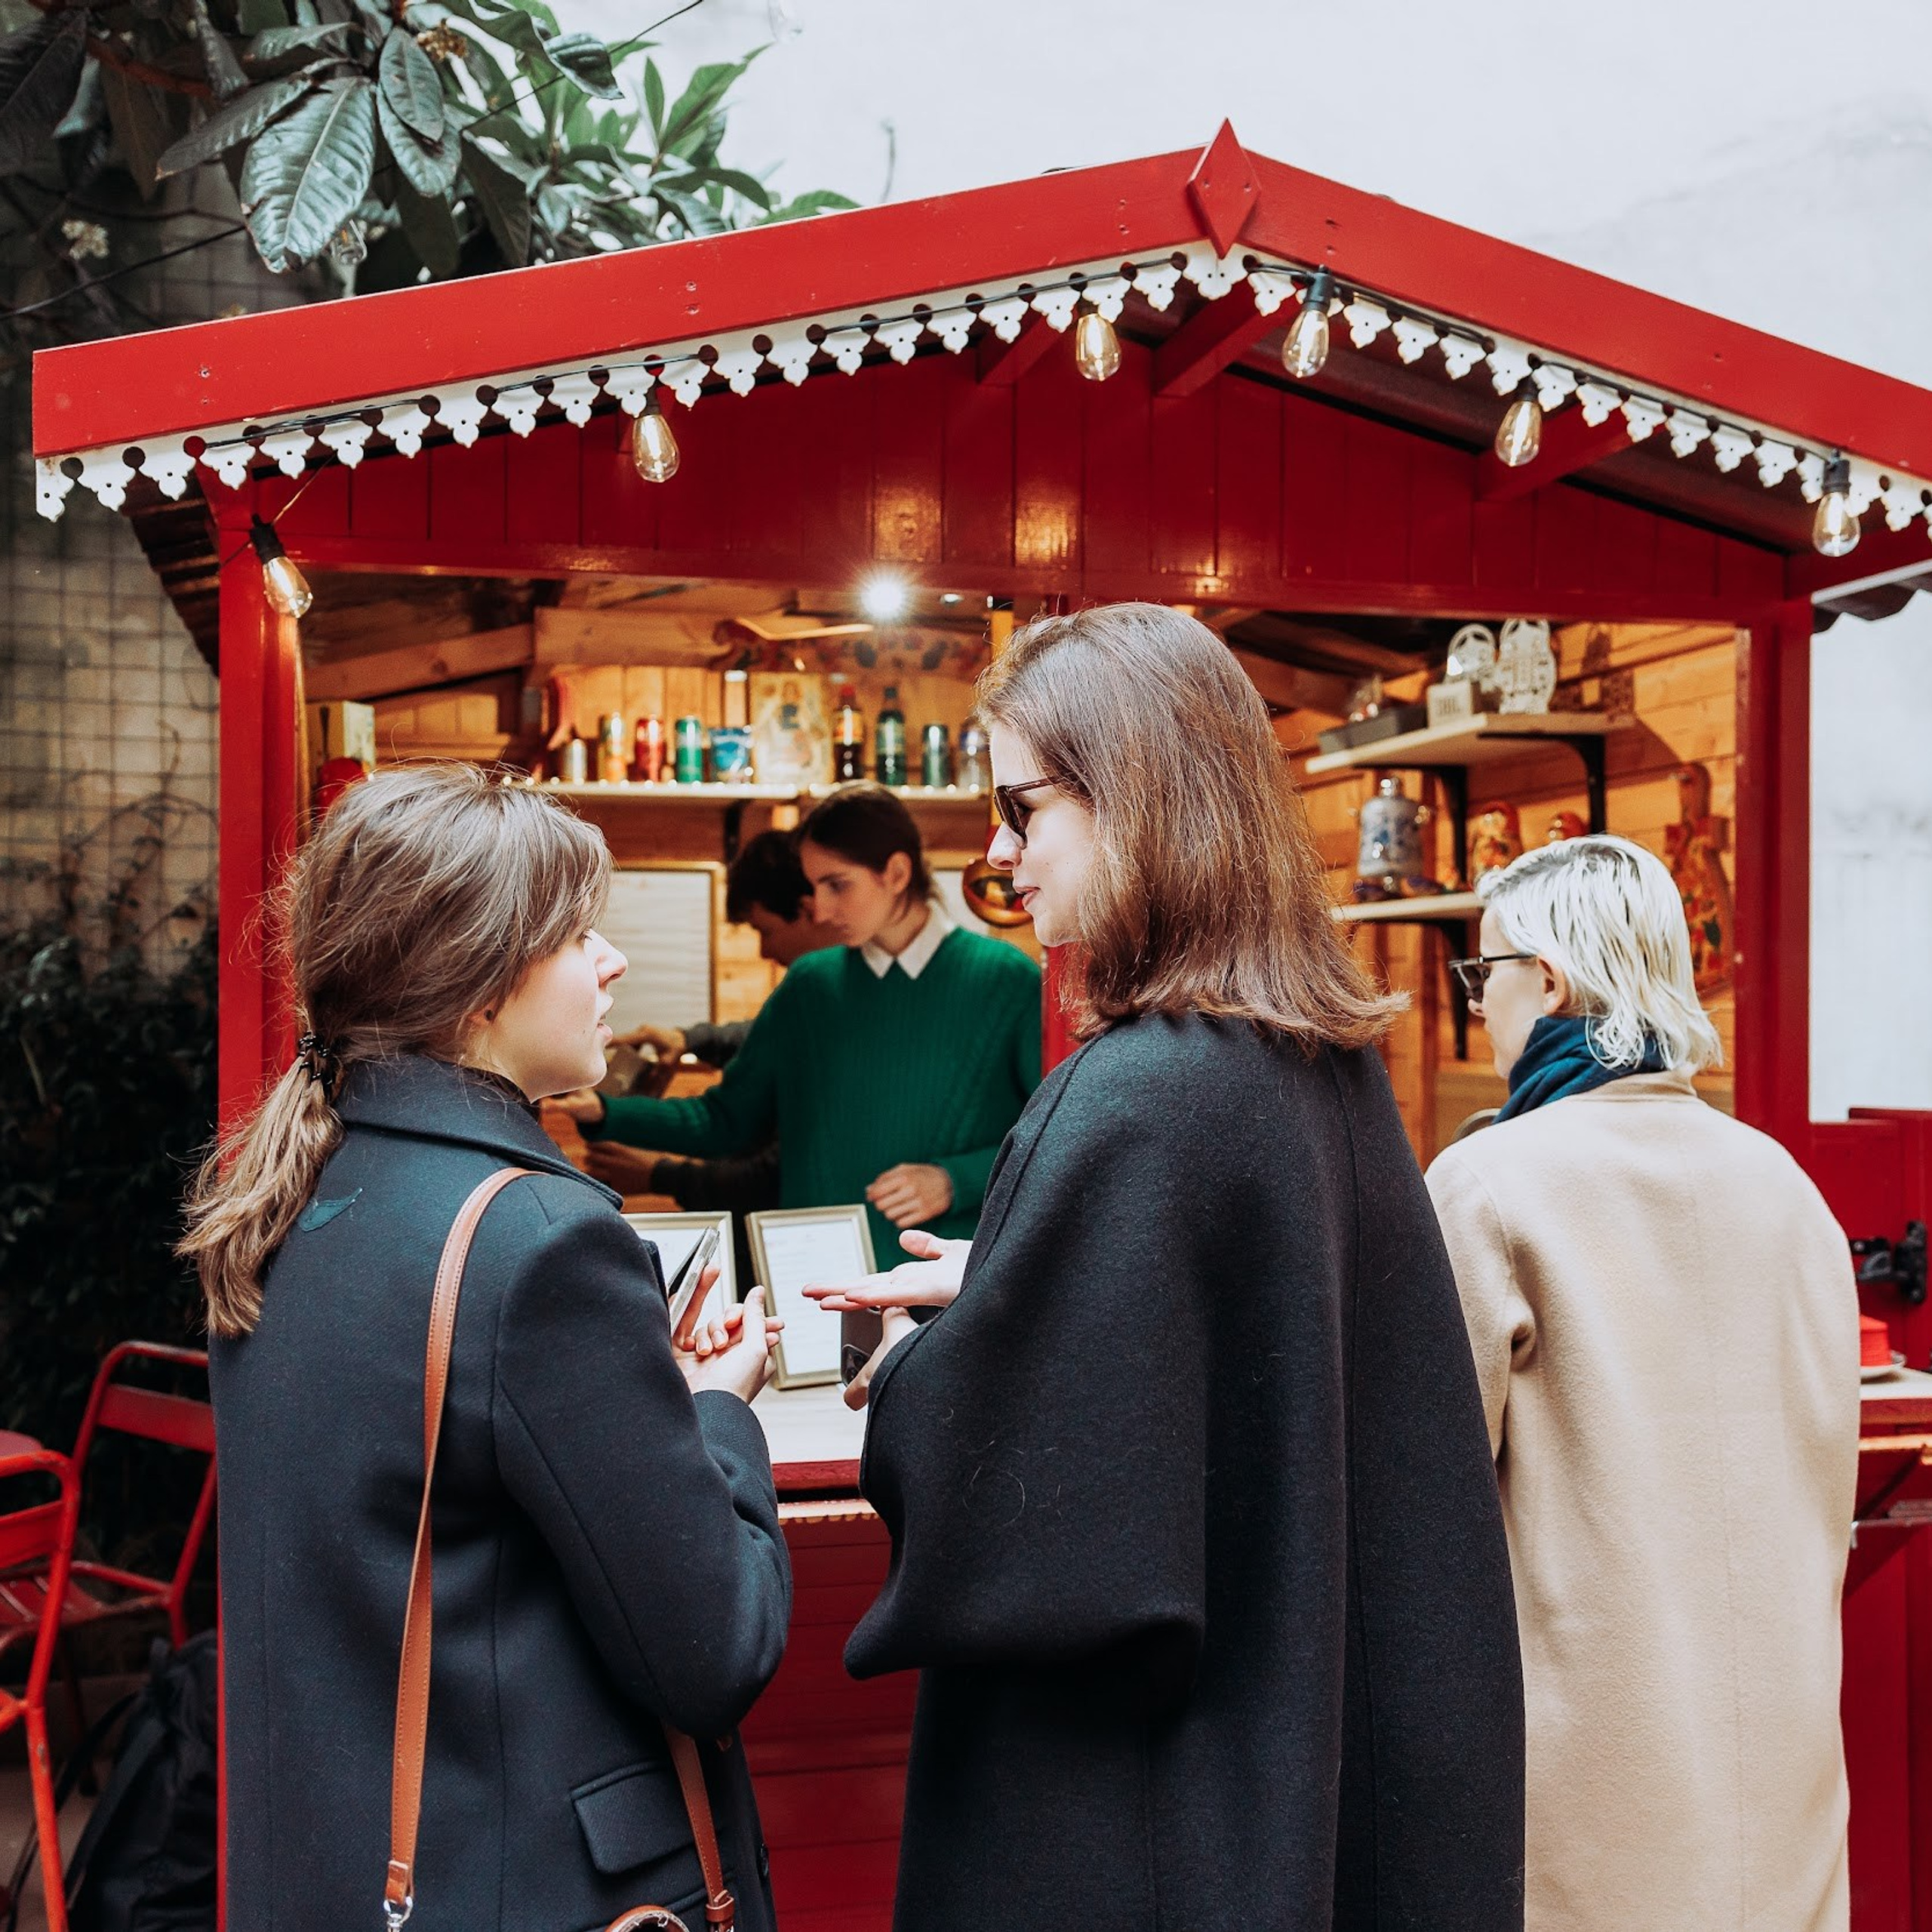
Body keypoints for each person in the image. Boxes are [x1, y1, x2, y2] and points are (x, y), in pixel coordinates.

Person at [806, 605, 1525, 1931]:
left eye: (1025, 809)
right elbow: (1243, 1359)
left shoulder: (1133, 1094)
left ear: (1137, 800)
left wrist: (923, 1372)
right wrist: (1025, 1287)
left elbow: (1038, 1521)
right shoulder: (1313, 1065)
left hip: (1146, 1807)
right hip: (1295, 1764)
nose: (1000, 853)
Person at [179, 764, 792, 1932]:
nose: (612, 962)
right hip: (532, 1888)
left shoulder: (285, 1190)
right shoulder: (546, 1243)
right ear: (476, 983)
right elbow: (718, 1651)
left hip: (336, 1871)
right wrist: (719, 1409)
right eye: (576, 934)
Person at [1425, 835, 1858, 1932]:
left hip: (1588, 1780)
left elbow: (1427, 1495)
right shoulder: (1787, 1185)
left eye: (1485, 975)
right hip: (1782, 1770)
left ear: (1552, 980)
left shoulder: (1486, 1184)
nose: (1479, 1007)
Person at [561, 783, 1040, 1263]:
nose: (823, 909)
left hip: (951, 1278)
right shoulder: (810, 985)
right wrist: (605, 1113)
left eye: (837, 884)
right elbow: (725, 1121)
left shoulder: (1007, 979)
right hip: (813, 1281)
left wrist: (956, 1181)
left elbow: (1054, 1136)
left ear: (896, 873)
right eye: (815, 888)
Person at [584, 830, 841, 1220]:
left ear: (810, 911)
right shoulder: (812, 999)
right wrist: (688, 1040)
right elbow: (762, 1039)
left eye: (764, 930)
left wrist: (662, 1174)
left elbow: (764, 1160)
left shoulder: (825, 995)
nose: (764, 951)